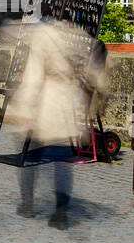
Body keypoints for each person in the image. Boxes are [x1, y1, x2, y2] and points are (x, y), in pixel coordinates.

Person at [9, 17, 86, 230]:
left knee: (28, 155)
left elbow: (34, 76)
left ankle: (27, 204)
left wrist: (26, 108)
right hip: (63, 102)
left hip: (44, 103)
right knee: (61, 161)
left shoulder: (41, 35)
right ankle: (61, 211)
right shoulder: (71, 36)